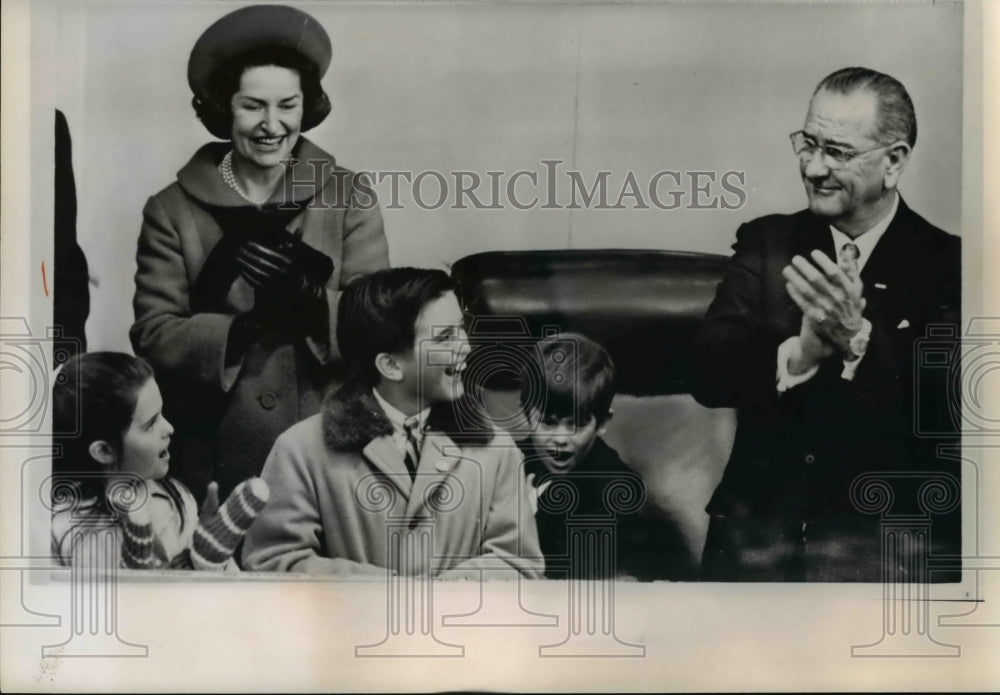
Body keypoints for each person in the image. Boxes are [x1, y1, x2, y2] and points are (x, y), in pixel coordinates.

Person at [691, 67, 961, 581]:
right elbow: (708, 372)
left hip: (881, 553)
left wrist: (858, 340)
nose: (813, 168)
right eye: (808, 144)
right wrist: (802, 354)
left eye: (837, 152)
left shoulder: (952, 266)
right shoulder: (767, 244)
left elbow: (943, 414)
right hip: (753, 545)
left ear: (894, 162)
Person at [130, 5, 389, 503]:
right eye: (253, 106)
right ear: (225, 108)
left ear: (306, 107)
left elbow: (381, 322)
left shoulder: (350, 195)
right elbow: (153, 332)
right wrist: (240, 331)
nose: (272, 125)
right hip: (212, 447)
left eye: (287, 105)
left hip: (330, 442)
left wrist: (309, 302)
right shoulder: (170, 209)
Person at [242, 268, 544, 578]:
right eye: (444, 337)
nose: (465, 346)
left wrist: (438, 597)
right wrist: (383, 592)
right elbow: (273, 563)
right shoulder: (300, 451)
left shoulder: (497, 450)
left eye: (461, 329)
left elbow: (519, 565)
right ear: (390, 365)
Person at [50, 352, 268, 570]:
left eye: (162, 414)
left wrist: (207, 560)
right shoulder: (72, 533)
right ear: (105, 451)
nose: (169, 429)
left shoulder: (176, 498)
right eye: (151, 424)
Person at [519, 333, 692, 581]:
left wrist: (522, 523)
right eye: (548, 423)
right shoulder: (510, 460)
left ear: (601, 423)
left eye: (576, 425)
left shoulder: (612, 487)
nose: (560, 438)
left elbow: (573, 589)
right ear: (526, 414)